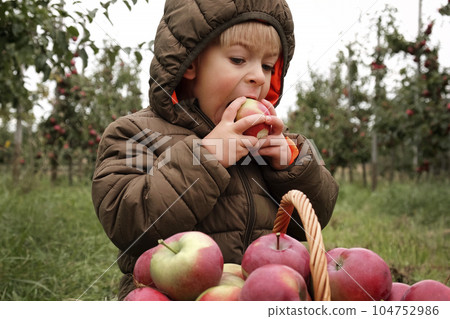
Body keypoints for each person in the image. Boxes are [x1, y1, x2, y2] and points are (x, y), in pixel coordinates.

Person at [92, 0, 339, 300]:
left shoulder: (274, 142)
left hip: (254, 294)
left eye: (266, 65)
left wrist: (292, 168)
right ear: (191, 63)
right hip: (169, 295)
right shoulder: (136, 134)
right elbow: (125, 220)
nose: (259, 77)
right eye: (238, 59)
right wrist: (207, 158)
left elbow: (314, 218)